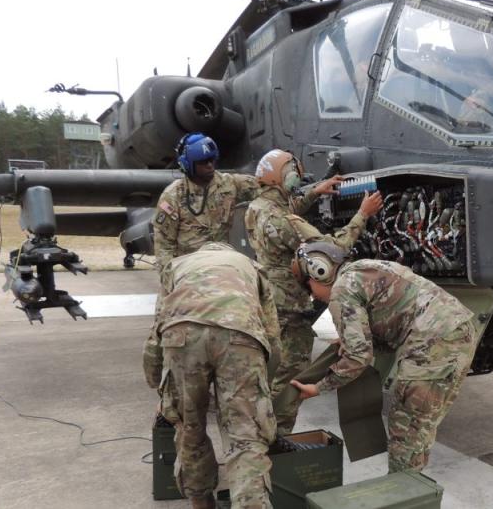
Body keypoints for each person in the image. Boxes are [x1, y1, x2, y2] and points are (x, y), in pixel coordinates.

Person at [289, 241, 481, 473]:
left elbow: (359, 356)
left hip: (433, 343)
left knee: (406, 429)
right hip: (458, 330)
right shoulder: (363, 268)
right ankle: (414, 490)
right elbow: (389, 318)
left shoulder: (341, 289)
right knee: (420, 426)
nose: (314, 296)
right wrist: (353, 338)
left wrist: (319, 388)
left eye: (309, 288)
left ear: (320, 272)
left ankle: (401, 492)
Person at [244, 149, 382, 434]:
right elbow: (331, 249)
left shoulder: (256, 209)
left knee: (272, 372)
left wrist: (315, 193)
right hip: (292, 310)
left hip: (269, 303)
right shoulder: (287, 223)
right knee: (291, 377)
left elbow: (285, 210)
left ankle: (261, 432)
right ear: (285, 176)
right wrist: (362, 215)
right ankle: (276, 436)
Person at [142, 242, 279, 509]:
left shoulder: (177, 266)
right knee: (246, 436)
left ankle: (201, 502)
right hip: (242, 336)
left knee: (190, 428)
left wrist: (156, 381)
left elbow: (156, 329)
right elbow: (273, 337)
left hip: (181, 336)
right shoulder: (253, 267)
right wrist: (263, 389)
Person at [152, 132, 261, 272]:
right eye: (203, 162)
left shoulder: (229, 184)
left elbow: (265, 187)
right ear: (187, 165)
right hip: (190, 271)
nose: (210, 165)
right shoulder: (173, 196)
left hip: (221, 267)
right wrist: (170, 278)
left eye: (212, 160)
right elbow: (164, 246)